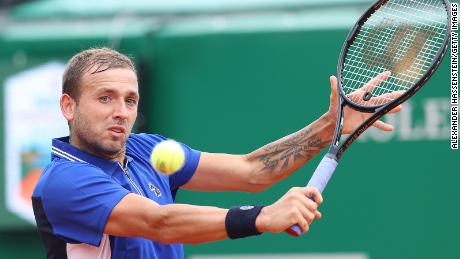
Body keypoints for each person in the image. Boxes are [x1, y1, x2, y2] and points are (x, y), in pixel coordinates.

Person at [32, 48, 401, 259]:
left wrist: (330, 124)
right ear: (69, 106)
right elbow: (159, 223)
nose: (121, 111)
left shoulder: (148, 149)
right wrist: (261, 217)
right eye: (105, 98)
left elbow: (251, 171)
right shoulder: (64, 182)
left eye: (130, 100)